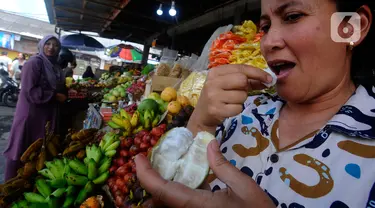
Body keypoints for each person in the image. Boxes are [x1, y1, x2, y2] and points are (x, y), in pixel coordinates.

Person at [135, 0, 375, 207]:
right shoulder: (242, 110)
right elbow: (176, 189)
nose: (269, 42)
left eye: (292, 16)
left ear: (350, 27)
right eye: (266, 27)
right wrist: (201, 122)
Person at [3, 35, 67, 181]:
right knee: (23, 148)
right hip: (30, 114)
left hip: (45, 114)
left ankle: (27, 185)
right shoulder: (34, 63)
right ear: (42, 45)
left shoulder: (54, 65)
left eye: (55, 45)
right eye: (48, 44)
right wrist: (55, 96)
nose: (51, 47)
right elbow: (30, 91)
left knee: (38, 153)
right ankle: (10, 187)